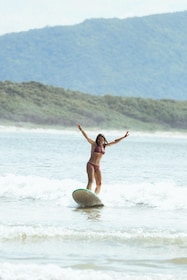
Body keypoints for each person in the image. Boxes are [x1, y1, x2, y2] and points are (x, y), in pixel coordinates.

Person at [77, 124, 129, 194]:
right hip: (90, 164)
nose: (100, 140)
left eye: (101, 139)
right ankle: (87, 194)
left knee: (99, 183)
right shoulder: (94, 144)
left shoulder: (104, 146)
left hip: (97, 166)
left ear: (104, 140)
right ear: (97, 139)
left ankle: (95, 196)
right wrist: (81, 129)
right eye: (99, 139)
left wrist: (123, 137)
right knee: (91, 181)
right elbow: (87, 137)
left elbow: (115, 141)